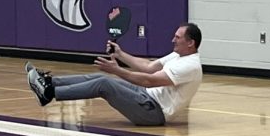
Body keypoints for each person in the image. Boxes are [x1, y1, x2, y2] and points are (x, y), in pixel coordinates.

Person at [26, 23, 202, 126]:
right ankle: (48, 82)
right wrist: (121, 55)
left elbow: (149, 80)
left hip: (153, 112)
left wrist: (117, 69)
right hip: (146, 96)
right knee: (101, 79)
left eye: (177, 37)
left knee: (104, 83)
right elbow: (149, 67)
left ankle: (48, 94)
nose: (173, 40)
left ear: (190, 43)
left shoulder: (190, 66)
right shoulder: (178, 55)